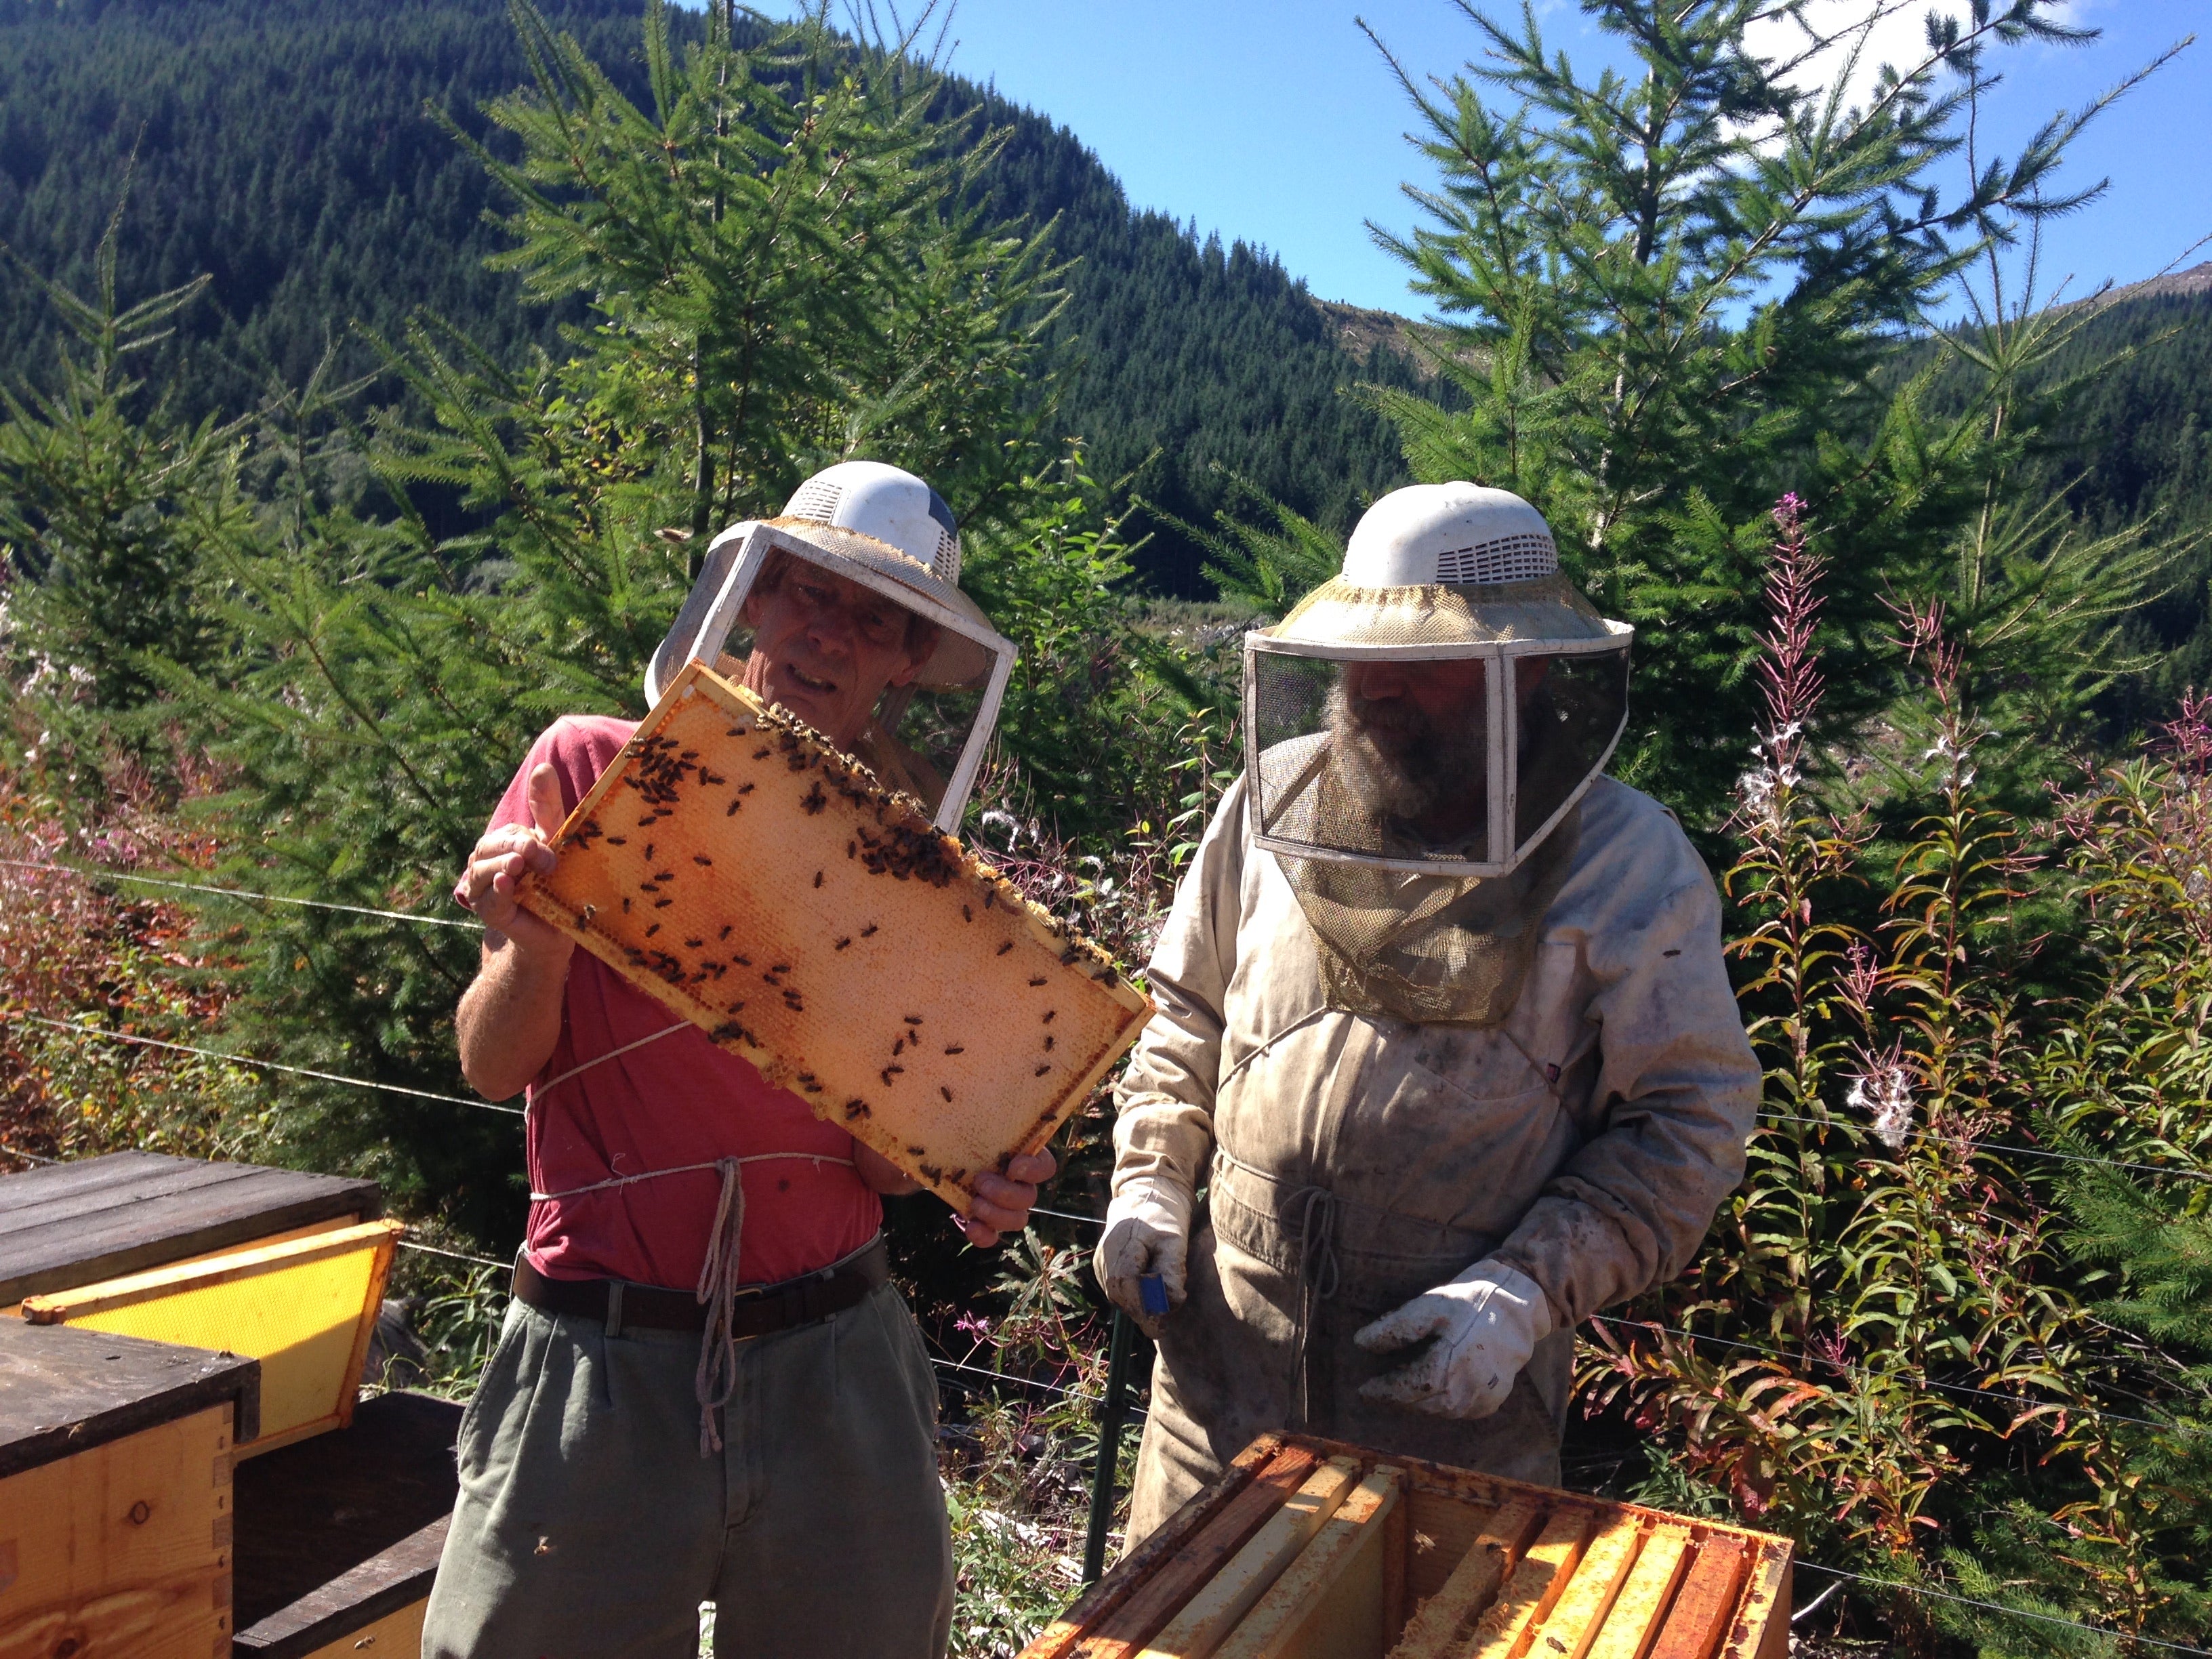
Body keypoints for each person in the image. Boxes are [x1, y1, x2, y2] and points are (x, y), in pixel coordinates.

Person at [427, 462, 1049, 1659]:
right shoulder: (591, 763)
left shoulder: (911, 859)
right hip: (600, 1361)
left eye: (874, 618)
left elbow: (878, 1163)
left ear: (910, 660)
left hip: (837, 1362)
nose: (828, 634)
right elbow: (490, 1065)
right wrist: (533, 946)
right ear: (751, 598)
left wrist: (972, 1156)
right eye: (805, 592)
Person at [1094, 482, 1761, 1545]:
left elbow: (1690, 1119)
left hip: (1452, 1413)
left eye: (1418, 663)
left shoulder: (1631, 864)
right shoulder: (1270, 800)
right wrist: (1151, 1181)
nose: (1373, 690)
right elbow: (1184, 1011)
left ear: (1528, 666)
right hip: (1217, 1397)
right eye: (1363, 654)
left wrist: (1527, 1289)